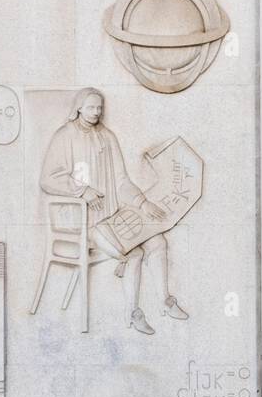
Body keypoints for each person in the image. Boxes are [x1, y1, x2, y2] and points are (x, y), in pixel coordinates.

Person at [39, 87, 188, 334]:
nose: (96, 112)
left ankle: (166, 301)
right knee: (134, 254)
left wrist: (142, 202)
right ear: (78, 107)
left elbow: (121, 181)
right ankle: (133, 313)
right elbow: (48, 178)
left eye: (99, 107)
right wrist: (81, 190)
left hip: (112, 216)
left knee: (158, 241)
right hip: (84, 222)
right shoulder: (64, 135)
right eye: (91, 107)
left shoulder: (107, 136)